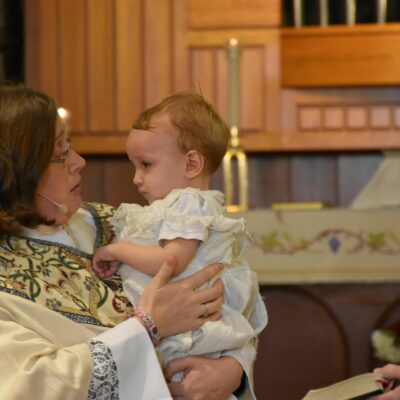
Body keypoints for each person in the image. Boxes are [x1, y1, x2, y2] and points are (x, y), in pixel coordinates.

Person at [0, 83, 257, 399]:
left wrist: (234, 369)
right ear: (16, 171)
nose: (79, 161)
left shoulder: (119, 223)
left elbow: (231, 300)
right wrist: (149, 326)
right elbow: (34, 386)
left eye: (71, 145)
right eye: (59, 153)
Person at [91, 92, 267, 393]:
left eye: (146, 165)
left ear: (192, 164)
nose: (136, 178)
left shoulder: (189, 204)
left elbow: (170, 262)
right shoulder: (171, 209)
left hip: (190, 336)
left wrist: (116, 250)